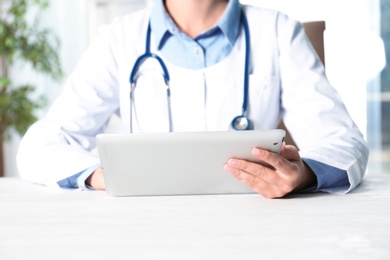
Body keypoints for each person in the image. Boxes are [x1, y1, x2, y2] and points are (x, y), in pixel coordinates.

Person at [16, 0, 369, 199]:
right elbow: (40, 146)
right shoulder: (119, 40)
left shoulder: (277, 31)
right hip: (147, 228)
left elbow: (343, 142)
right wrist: (102, 174)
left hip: (254, 225)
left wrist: (302, 174)